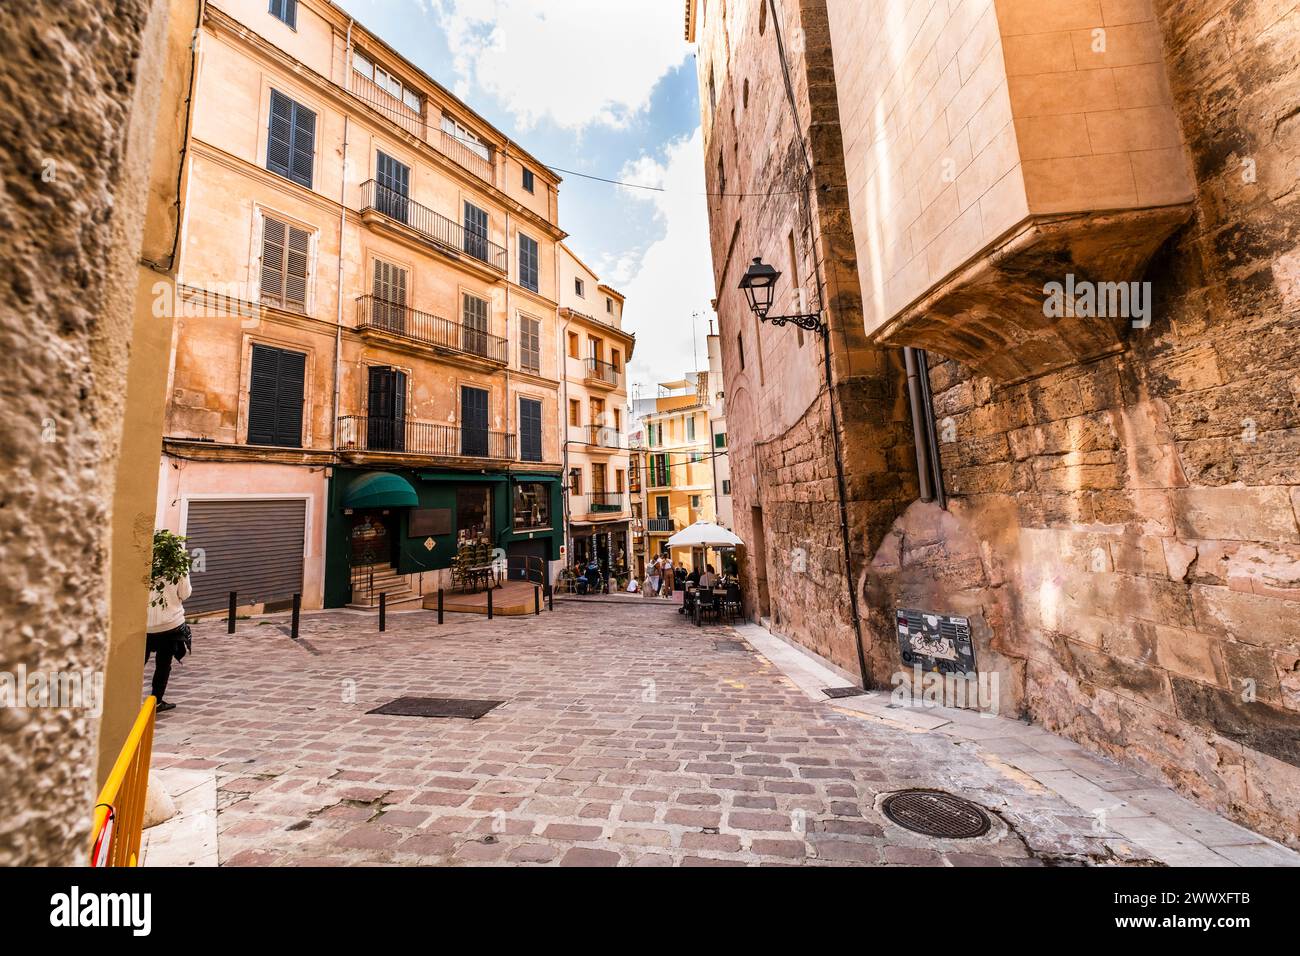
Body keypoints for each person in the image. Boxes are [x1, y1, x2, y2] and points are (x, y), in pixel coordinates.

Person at [146, 568, 192, 713]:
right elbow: (185, 593)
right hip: (170, 623)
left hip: (143, 623)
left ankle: (124, 699)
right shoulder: (178, 562)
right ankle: (157, 701)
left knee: (136, 663)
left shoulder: (143, 555)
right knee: (163, 664)